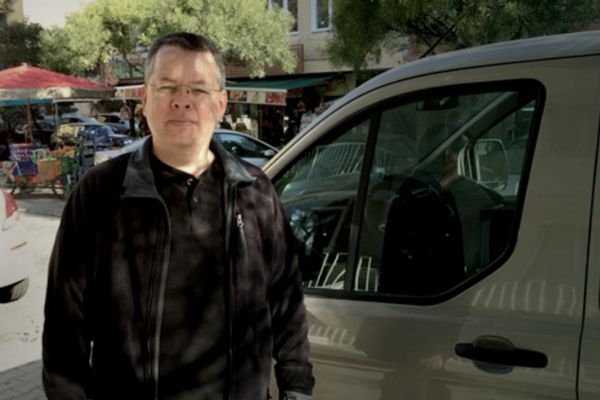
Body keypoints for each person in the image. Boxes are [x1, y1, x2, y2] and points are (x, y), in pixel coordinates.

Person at [42, 32, 314, 400]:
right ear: (145, 98)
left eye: (197, 89)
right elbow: (64, 327)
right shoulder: (100, 193)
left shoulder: (254, 191)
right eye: (167, 87)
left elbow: (287, 303)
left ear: (220, 103)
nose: (181, 101)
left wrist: (297, 389)